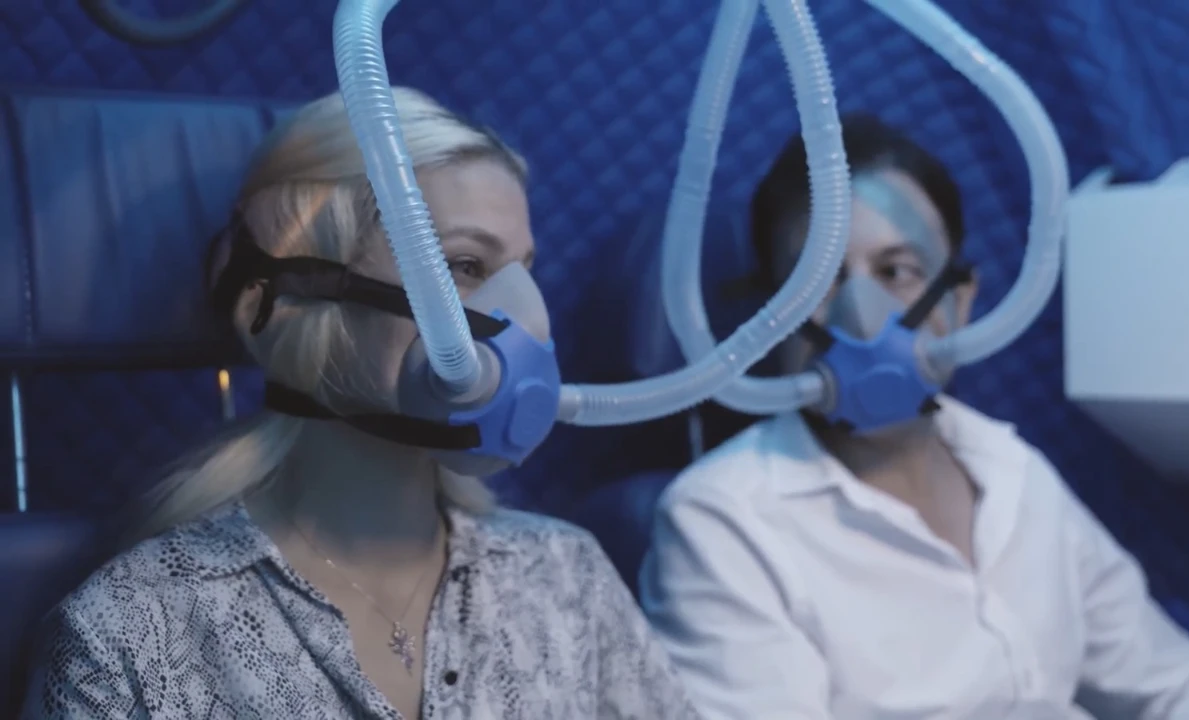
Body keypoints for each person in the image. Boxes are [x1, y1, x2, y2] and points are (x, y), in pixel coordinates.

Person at [21, 87, 699, 720]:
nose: (530, 322)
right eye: (465, 266)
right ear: (282, 295)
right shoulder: (133, 633)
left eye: (526, 269)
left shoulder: (566, 578)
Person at [639, 113, 1189, 719]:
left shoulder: (1015, 474)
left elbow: (1177, 688)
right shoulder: (725, 523)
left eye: (898, 271)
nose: (862, 313)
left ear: (961, 302)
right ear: (771, 318)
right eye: (817, 280)